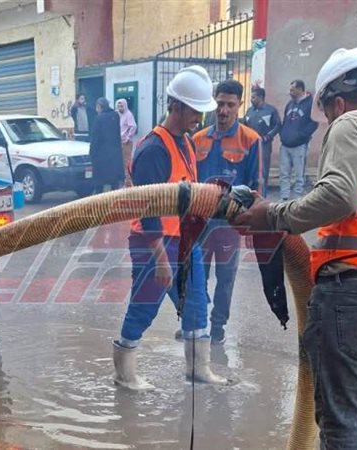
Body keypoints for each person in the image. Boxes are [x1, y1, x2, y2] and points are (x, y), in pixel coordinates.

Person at [233, 48, 357, 449]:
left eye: (327, 114)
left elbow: (342, 194)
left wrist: (273, 215)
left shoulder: (355, 122)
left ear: (336, 102)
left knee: (339, 424)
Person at [113, 66, 230, 391]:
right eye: (195, 111)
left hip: (185, 240)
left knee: (197, 303)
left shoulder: (186, 143)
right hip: (153, 242)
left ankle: (198, 369)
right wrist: (161, 259)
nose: (200, 118)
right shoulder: (153, 149)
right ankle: (124, 373)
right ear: (176, 106)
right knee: (145, 304)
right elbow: (147, 209)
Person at [192, 79, 261, 345]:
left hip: (229, 224)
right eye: (220, 103)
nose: (223, 110)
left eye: (230, 105)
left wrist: (252, 226)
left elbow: (256, 187)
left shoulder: (250, 140)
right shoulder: (198, 139)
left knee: (226, 278)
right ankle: (197, 323)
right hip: (199, 222)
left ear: (239, 105)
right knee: (196, 274)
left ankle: (218, 326)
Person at [279, 79, 318, 200]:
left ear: (300, 89)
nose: (290, 92)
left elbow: (314, 123)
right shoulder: (290, 104)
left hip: (299, 146)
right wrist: (283, 135)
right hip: (285, 145)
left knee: (299, 175)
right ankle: (284, 198)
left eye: (292, 90)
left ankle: (297, 199)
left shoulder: (310, 104)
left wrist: (301, 136)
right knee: (284, 173)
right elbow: (285, 121)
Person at [244, 87, 281, 196]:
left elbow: (277, 125)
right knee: (250, 170)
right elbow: (245, 127)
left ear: (261, 97)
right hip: (249, 146)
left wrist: (267, 137)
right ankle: (249, 196)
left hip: (263, 147)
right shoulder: (249, 111)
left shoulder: (271, 110)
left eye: (253, 97)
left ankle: (262, 196)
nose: (251, 99)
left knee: (262, 171)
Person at [89, 98, 125, 192]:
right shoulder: (115, 116)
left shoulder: (99, 119)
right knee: (114, 182)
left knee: (99, 182)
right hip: (114, 153)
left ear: (99, 107)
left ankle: (99, 199)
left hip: (101, 154)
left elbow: (95, 138)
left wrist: (92, 153)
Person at [116, 98, 137, 186]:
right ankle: (122, 182)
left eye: (121, 106)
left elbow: (133, 126)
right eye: (118, 106)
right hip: (119, 141)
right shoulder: (117, 114)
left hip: (126, 142)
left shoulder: (128, 114)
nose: (120, 107)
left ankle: (128, 182)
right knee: (119, 162)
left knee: (126, 162)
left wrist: (128, 137)